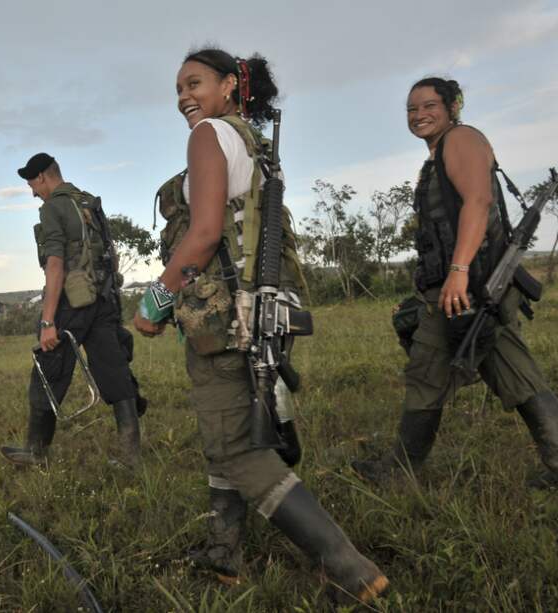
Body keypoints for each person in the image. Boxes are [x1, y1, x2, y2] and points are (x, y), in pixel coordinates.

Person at [133, 48, 388, 603]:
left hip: (230, 315)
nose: (184, 96)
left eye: (194, 83)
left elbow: (201, 234)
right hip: (264, 307)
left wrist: (154, 301)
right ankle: (224, 552)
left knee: (238, 448)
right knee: (224, 429)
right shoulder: (252, 142)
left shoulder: (209, 137)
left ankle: (350, 569)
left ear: (229, 85)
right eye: (178, 87)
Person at [352, 77, 558, 487]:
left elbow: (478, 201)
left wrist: (459, 272)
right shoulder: (441, 152)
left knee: (427, 372)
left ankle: (400, 472)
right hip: (477, 288)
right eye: (411, 109)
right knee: (517, 374)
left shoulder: (460, 139)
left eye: (429, 105)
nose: (418, 115)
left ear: (452, 108)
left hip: (469, 288)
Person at [1, 153, 144, 468]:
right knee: (114, 369)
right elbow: (110, 252)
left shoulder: (53, 207)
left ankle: (36, 452)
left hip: (73, 303)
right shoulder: (89, 202)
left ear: (42, 177)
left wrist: (48, 320)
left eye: (32, 184)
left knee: (48, 368)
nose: (33, 192)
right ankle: (131, 456)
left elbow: (55, 265)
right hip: (104, 299)